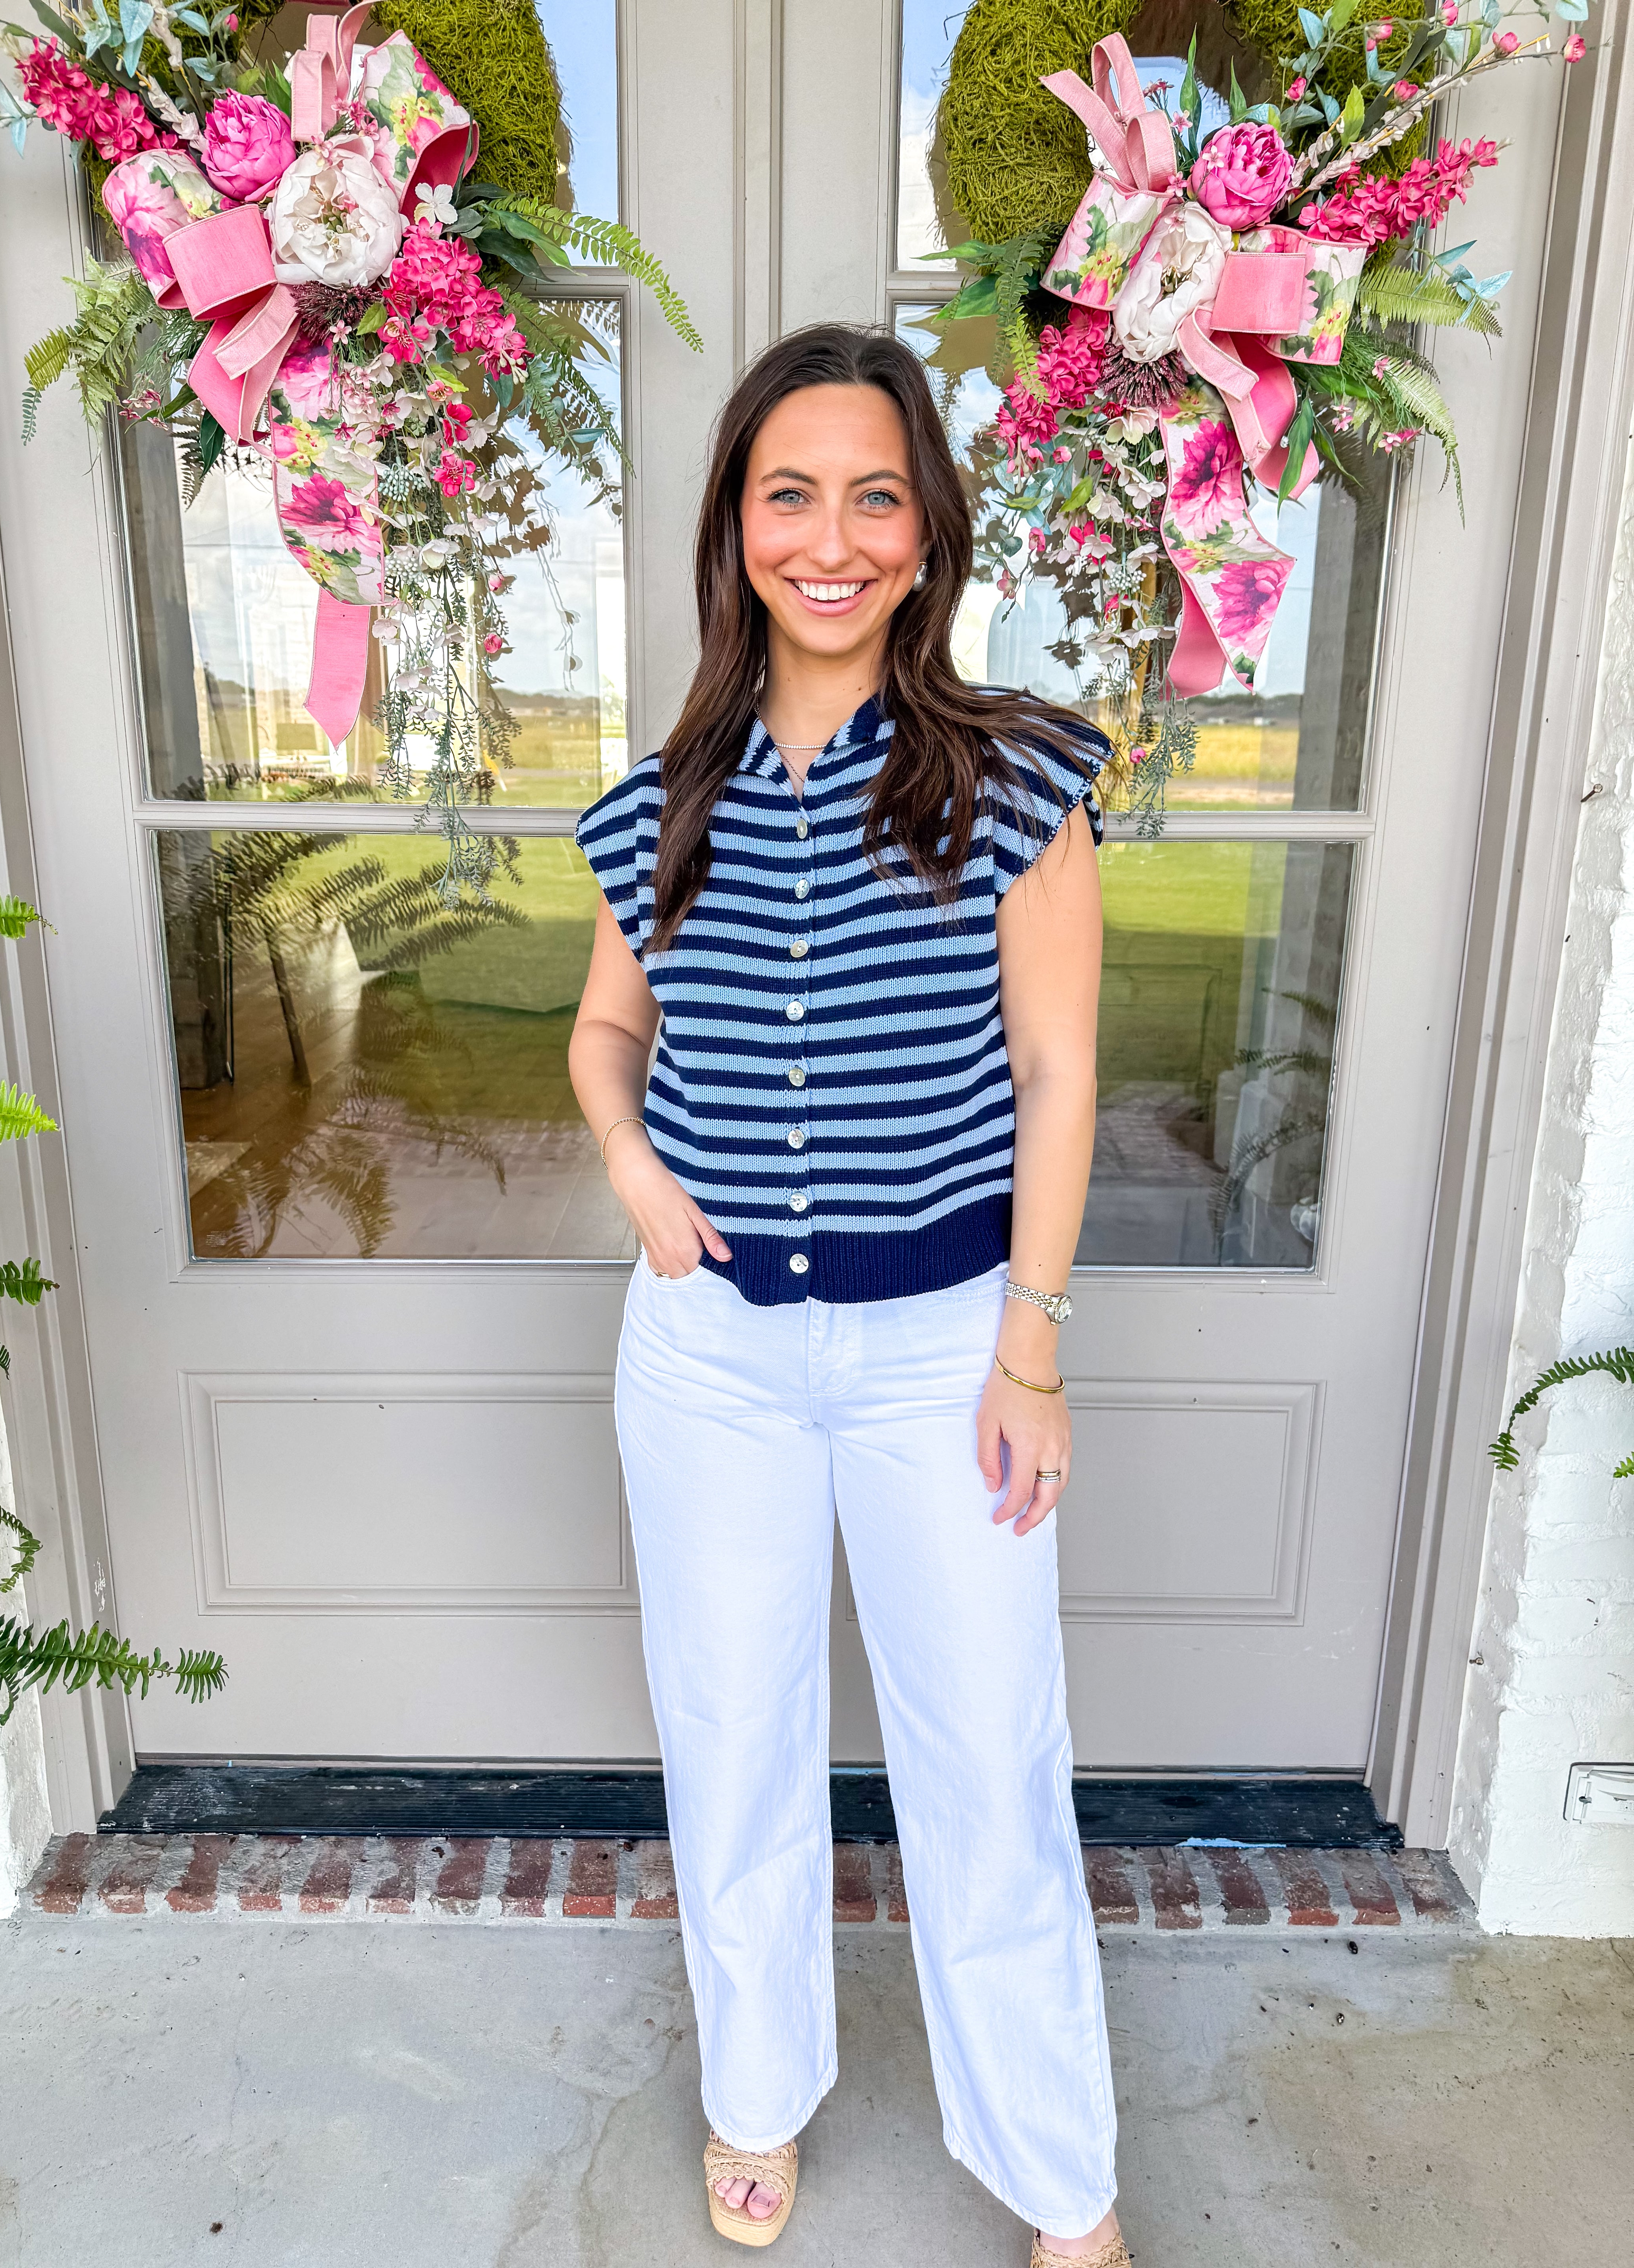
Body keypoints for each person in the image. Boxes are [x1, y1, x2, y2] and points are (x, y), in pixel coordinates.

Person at [568, 323, 1124, 2264]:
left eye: (873, 493)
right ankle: (755, 2098)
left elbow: (1060, 1076)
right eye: (788, 492)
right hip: (706, 1357)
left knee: (987, 1763)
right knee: (732, 1739)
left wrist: (1032, 1350)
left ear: (926, 528)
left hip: (940, 1352)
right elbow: (603, 1031)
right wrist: (639, 1173)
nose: (831, 535)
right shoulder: (663, 804)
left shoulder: (1021, 777)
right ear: (737, 525)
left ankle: (1062, 2189)